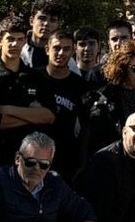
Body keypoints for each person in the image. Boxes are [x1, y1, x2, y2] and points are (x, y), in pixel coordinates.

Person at [0, 16, 54, 163]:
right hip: (0, 156)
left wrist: (7, 109)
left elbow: (49, 117)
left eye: (20, 39)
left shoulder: (36, 77)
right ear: (0, 41)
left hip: (31, 160)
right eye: (10, 39)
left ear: (25, 41)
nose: (15, 44)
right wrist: (34, 116)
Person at [36, 30, 94, 173]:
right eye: (56, 48)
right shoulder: (33, 78)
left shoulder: (81, 86)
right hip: (34, 157)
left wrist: (82, 161)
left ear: (73, 51)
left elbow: (86, 128)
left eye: (66, 49)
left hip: (66, 159)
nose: (61, 53)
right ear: (47, 49)